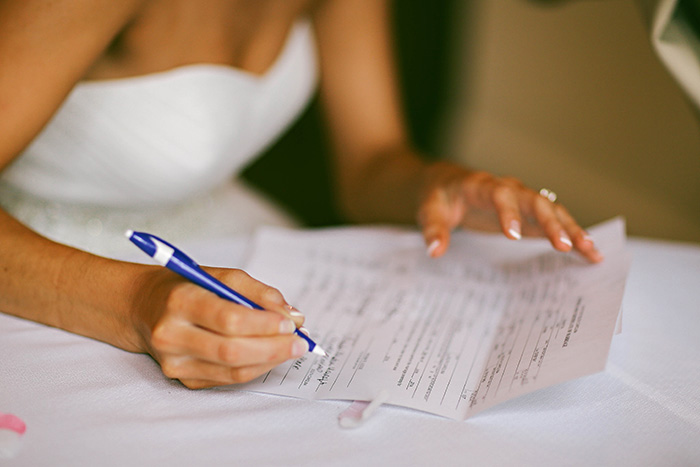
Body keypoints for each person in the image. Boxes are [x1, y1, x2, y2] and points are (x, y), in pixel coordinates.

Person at [0, 0, 602, 390]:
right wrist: (138, 300)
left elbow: (368, 165)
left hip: (232, 240)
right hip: (50, 275)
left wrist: (438, 185)